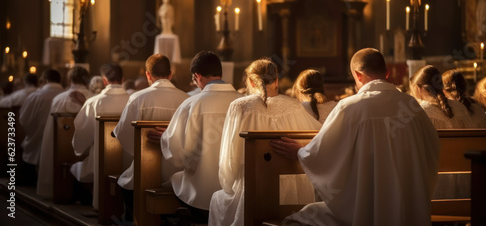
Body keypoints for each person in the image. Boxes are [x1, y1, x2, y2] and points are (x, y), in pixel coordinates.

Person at [270, 48, 440, 226]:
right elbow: (431, 149)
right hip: (408, 209)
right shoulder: (411, 105)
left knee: (298, 219)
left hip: (362, 209)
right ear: (387, 73)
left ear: (358, 76)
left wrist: (301, 152)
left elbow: (325, 153)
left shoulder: (350, 107)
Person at [209, 58, 322, 226]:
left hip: (254, 191)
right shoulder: (295, 106)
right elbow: (319, 137)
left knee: (216, 199)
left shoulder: (239, 107)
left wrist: (230, 184)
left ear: (250, 82)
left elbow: (228, 162)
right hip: (293, 193)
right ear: (276, 81)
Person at [146, 51, 243, 223]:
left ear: (197, 76)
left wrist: (166, 137)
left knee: (175, 179)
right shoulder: (243, 102)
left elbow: (177, 154)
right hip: (238, 193)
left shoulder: (192, 104)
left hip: (201, 193)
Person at [114, 54, 189, 223]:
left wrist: (142, 151)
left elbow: (123, 135)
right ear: (170, 74)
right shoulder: (187, 99)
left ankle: (134, 218)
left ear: (148, 75)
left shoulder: (138, 98)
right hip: (179, 169)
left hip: (145, 167)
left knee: (126, 180)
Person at [70, 64, 130, 210]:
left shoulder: (94, 102)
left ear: (104, 80)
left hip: (101, 159)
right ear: (123, 79)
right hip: (132, 161)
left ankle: (96, 204)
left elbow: (81, 137)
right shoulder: (134, 100)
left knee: (78, 168)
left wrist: (79, 149)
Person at [37, 66, 93, 199]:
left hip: (62, 149)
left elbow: (51, 131)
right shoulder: (93, 98)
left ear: (69, 79)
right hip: (86, 149)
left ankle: (58, 188)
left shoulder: (59, 99)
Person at [20, 69, 64, 184]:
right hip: (62, 143)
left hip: (37, 138)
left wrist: (33, 131)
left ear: (43, 80)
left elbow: (24, 119)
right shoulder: (65, 95)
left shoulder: (35, 96)